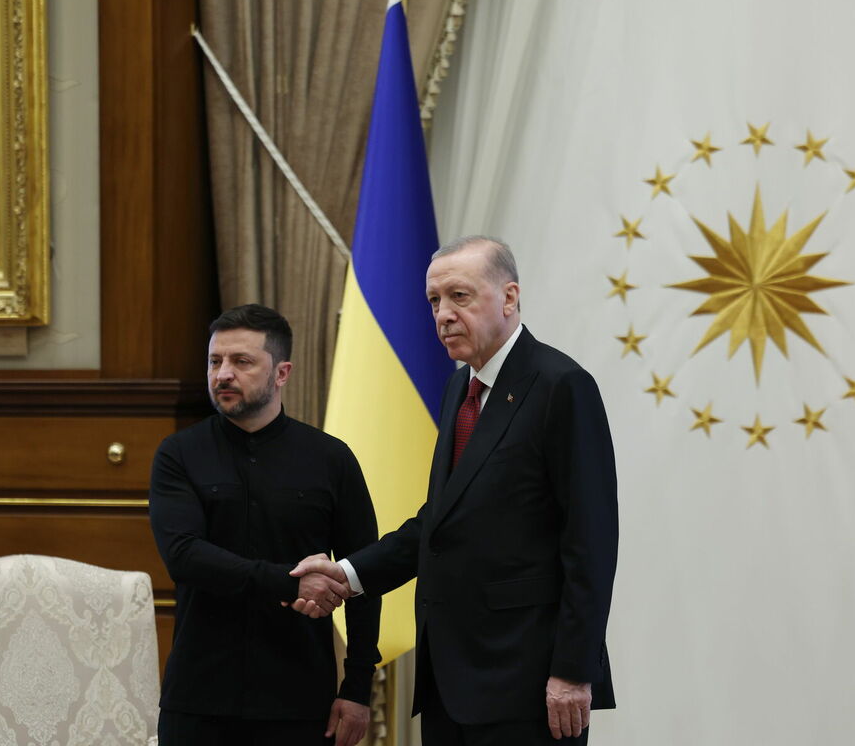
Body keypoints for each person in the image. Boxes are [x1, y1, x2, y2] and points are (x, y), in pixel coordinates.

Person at [292, 237, 618, 744]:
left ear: (509, 298)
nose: (443, 314)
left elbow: (591, 541)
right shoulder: (458, 390)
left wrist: (574, 671)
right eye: (434, 301)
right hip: (450, 679)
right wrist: (348, 574)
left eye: (459, 297)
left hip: (528, 680)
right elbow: (439, 522)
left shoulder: (561, 385)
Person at [149, 304, 380, 746]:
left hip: (300, 699)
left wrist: (357, 688)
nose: (223, 375)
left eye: (242, 361)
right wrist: (291, 584)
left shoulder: (331, 459)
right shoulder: (178, 454)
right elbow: (184, 557)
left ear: (282, 372)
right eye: (215, 361)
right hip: (200, 698)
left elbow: (362, 573)